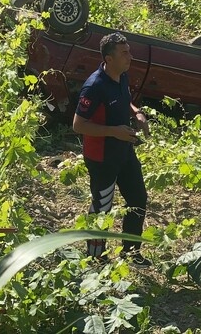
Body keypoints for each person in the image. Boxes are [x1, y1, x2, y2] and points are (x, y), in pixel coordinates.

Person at [72, 32, 152, 267]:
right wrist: (113, 131)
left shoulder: (121, 76)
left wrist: (136, 113)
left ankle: (131, 252)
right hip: (101, 157)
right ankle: (95, 258)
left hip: (124, 151)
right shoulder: (94, 86)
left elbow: (123, 100)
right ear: (109, 58)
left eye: (129, 51)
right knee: (102, 206)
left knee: (138, 198)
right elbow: (78, 125)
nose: (130, 57)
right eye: (124, 53)